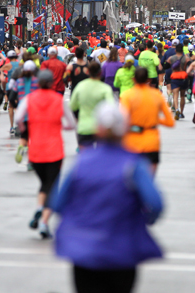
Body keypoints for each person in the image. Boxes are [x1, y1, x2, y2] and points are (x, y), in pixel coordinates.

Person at [50, 103, 163, 293]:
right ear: (124, 129)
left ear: (98, 128)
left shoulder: (81, 163)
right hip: (122, 251)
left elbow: (58, 203)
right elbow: (156, 204)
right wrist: (142, 221)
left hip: (85, 252)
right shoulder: (133, 164)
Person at [15, 70, 76, 238]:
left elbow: (19, 118)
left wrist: (24, 130)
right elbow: (71, 123)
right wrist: (61, 126)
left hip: (36, 150)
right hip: (54, 150)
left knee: (45, 184)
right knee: (52, 186)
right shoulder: (59, 100)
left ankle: (40, 211)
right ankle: (43, 221)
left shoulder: (29, 99)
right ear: (51, 83)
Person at [120, 67, 175, 175]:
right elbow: (170, 122)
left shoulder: (126, 96)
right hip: (152, 142)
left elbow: (123, 120)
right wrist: (155, 118)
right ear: (148, 80)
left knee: (132, 179)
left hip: (132, 142)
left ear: (133, 79)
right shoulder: (157, 95)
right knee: (149, 179)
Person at [70, 61, 114, 149]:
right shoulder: (105, 89)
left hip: (84, 127)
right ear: (100, 73)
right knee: (101, 159)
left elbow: (72, 106)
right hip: (101, 129)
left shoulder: (80, 86)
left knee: (85, 159)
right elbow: (111, 107)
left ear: (88, 72)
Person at [13, 60, 39, 166]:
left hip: (22, 114)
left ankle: (21, 146)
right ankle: (30, 162)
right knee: (33, 138)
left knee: (24, 136)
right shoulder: (37, 81)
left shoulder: (18, 81)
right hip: (34, 114)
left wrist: (16, 107)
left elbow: (11, 97)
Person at [168, 44, 189, 119]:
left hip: (175, 77)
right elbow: (189, 66)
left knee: (175, 96)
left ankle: (176, 109)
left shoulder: (171, 58)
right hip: (183, 77)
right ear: (182, 50)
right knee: (182, 96)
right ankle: (181, 112)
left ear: (175, 50)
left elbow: (166, 65)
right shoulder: (186, 58)